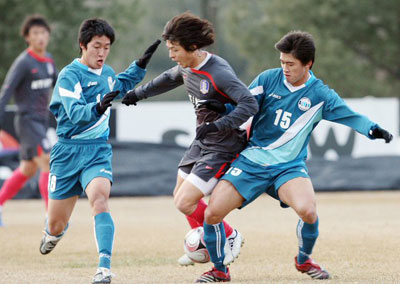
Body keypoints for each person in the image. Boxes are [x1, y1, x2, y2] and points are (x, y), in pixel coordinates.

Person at [196, 30, 393, 282]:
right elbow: (243, 103)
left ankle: (303, 260)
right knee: (212, 214)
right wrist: (222, 107)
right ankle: (219, 270)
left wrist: (373, 129)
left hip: (288, 168)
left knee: (308, 211)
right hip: (252, 161)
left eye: (290, 64)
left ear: (308, 63)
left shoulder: (320, 95)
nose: (284, 68)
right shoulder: (268, 79)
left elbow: (351, 116)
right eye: (282, 62)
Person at [121, 12, 258, 268]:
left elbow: (250, 103)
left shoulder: (219, 73)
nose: (171, 55)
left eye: (174, 50)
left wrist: (221, 123)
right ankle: (204, 242)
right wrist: (137, 94)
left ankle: (230, 235)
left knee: (185, 201)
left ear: (192, 47)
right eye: (170, 49)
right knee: (181, 198)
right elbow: (167, 79)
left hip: (223, 145)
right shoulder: (187, 67)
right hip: (203, 140)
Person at [38, 18, 160, 284]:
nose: (102, 53)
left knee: (100, 199)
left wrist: (140, 65)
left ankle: (103, 268)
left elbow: (121, 83)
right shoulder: (69, 76)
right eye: (96, 46)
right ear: (82, 45)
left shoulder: (106, 72)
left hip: (97, 151)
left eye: (106, 47)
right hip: (67, 153)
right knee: (56, 223)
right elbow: (76, 113)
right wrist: (97, 108)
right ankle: (53, 232)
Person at [0, 15, 58, 226]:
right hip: (26, 121)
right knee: (48, 163)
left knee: (27, 169)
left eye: (43, 33)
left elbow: (60, 87)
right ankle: (51, 216)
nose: (40, 37)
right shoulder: (24, 62)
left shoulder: (49, 61)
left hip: (41, 122)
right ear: (27, 37)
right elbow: (6, 92)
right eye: (35, 33)